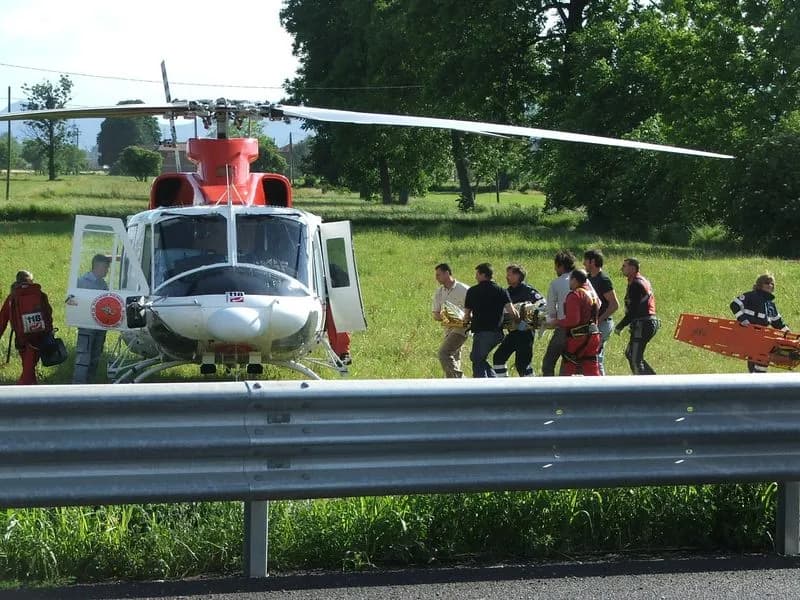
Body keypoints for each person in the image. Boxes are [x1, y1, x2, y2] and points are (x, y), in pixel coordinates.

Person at [463, 263, 517, 378]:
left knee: (477, 359)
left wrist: (466, 321)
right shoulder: (501, 290)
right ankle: (494, 383)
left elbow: (466, 315)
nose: (475, 277)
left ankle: (482, 387)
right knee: (478, 358)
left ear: (483, 274)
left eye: (477, 274)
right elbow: (513, 312)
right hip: (497, 333)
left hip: (481, 333)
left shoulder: (472, 291)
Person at [0, 271, 54, 385]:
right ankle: (23, 395)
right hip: (39, 337)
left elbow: (2, 319)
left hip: (21, 339)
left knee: (28, 368)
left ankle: (28, 392)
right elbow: (48, 314)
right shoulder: (40, 295)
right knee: (29, 370)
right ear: (30, 280)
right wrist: (49, 332)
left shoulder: (12, 297)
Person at [492, 264, 544, 377]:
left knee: (522, 365)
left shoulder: (528, 290)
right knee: (498, 358)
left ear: (518, 275)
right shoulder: (506, 292)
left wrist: (528, 316)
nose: (507, 277)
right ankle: (504, 388)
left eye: (509, 275)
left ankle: (532, 390)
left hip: (525, 333)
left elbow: (542, 304)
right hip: (513, 332)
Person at [730, 273, 789, 373]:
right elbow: (734, 305)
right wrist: (744, 320)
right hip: (750, 333)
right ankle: (756, 380)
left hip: (763, 335)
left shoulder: (770, 305)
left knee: (763, 358)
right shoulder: (751, 296)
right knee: (757, 356)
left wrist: (788, 334)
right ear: (760, 284)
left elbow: (778, 323)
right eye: (767, 283)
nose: (770, 285)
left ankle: (758, 379)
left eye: (772, 284)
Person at [614, 257, 659, 375]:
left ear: (633, 268)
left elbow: (633, 311)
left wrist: (620, 325)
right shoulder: (640, 280)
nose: (621, 268)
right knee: (630, 353)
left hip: (643, 323)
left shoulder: (636, 284)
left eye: (624, 266)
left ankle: (643, 389)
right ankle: (654, 380)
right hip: (647, 322)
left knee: (635, 358)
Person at [73, 254, 111, 384]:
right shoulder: (81, 282)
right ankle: (78, 385)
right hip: (86, 325)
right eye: (105, 267)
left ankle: (90, 384)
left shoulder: (103, 284)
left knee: (96, 355)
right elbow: (71, 300)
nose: (107, 271)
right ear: (97, 266)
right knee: (83, 356)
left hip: (100, 326)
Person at [558, 269, 602, 376]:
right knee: (591, 367)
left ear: (574, 280)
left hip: (578, 338)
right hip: (594, 336)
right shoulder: (591, 294)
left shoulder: (575, 295)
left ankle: (567, 391)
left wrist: (557, 322)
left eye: (570, 280)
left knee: (569, 367)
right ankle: (599, 391)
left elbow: (573, 320)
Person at [583, 249, 619, 375]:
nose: (583, 263)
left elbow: (614, 305)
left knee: (596, 359)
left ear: (592, 262)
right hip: (591, 325)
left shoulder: (603, 280)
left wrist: (598, 320)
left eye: (585, 261)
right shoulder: (587, 279)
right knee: (587, 359)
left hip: (602, 325)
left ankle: (603, 390)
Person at [541, 250, 576, 376]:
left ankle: (550, 390)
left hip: (564, 328)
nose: (555, 269)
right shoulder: (585, 280)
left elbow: (551, 311)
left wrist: (551, 322)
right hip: (583, 330)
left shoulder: (556, 283)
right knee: (569, 362)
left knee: (548, 363)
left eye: (555, 266)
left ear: (560, 266)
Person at [431, 263, 470, 378]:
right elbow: (435, 314)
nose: (436, 278)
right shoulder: (439, 292)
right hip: (448, 329)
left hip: (462, 328)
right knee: (453, 358)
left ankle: (460, 380)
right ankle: (454, 387)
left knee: (444, 353)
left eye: (438, 275)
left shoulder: (464, 289)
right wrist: (450, 317)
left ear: (447, 273)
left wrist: (462, 317)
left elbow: (475, 308)